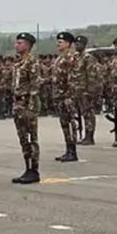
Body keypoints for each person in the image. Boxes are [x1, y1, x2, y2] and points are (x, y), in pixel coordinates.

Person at [12, 33, 41, 184]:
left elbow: (35, 86)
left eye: (20, 43)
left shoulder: (32, 63)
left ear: (28, 45)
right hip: (18, 106)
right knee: (23, 139)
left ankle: (33, 170)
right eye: (16, 43)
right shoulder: (19, 63)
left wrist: (30, 108)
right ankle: (27, 168)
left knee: (31, 139)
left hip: (27, 105)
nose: (17, 45)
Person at [52, 32, 82, 162]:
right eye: (58, 41)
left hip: (67, 96)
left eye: (61, 42)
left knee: (70, 123)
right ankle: (68, 149)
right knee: (64, 123)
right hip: (59, 95)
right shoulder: (61, 57)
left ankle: (72, 151)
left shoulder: (70, 57)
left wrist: (70, 96)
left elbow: (73, 78)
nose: (58, 44)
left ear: (68, 43)